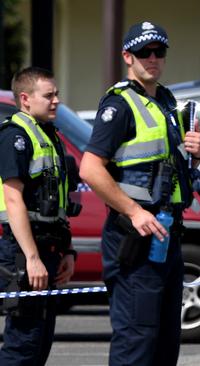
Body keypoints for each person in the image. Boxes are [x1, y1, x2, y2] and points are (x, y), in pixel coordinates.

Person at [79, 21, 200, 365]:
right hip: (134, 239)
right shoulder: (119, 105)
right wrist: (134, 211)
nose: (152, 58)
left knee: (165, 342)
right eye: (143, 52)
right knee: (137, 340)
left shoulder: (166, 100)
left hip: (168, 236)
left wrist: (199, 150)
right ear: (127, 57)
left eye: (159, 51)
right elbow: (90, 168)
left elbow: (174, 159)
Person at [0, 67, 78, 365]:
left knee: (40, 342)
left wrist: (68, 250)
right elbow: (12, 198)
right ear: (25, 99)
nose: (56, 100)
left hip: (49, 249)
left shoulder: (50, 136)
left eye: (56, 94)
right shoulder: (15, 137)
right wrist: (32, 257)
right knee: (23, 343)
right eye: (49, 95)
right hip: (23, 251)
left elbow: (60, 204)